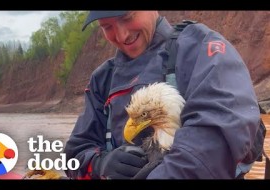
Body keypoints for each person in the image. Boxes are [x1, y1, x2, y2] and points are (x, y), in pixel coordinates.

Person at [64, 11, 261, 179]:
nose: (122, 35)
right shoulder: (102, 80)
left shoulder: (200, 48)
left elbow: (217, 136)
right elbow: (74, 155)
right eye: (107, 26)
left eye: (127, 17)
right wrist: (100, 164)